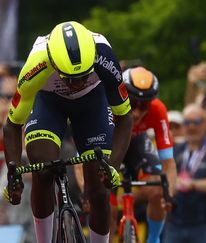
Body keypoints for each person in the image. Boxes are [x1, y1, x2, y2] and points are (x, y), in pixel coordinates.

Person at [2, 21, 132, 243]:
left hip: (92, 101)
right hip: (48, 102)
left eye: (83, 76)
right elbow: (13, 125)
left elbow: (125, 117)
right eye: (70, 78)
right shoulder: (36, 65)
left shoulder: (104, 55)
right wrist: (13, 172)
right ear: (53, 62)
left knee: (100, 188)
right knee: (42, 172)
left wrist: (113, 166)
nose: (77, 84)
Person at [109, 66, 176, 243]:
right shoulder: (108, 104)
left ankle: (153, 239)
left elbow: (169, 162)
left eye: (144, 105)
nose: (137, 112)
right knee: (106, 207)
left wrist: (168, 193)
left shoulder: (158, 109)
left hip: (136, 144)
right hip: (110, 143)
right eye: (132, 103)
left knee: (157, 190)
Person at [163, 103, 206, 243]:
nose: (191, 127)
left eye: (196, 122)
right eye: (187, 122)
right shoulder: (176, 150)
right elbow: (163, 176)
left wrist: (193, 184)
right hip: (176, 222)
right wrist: (170, 187)